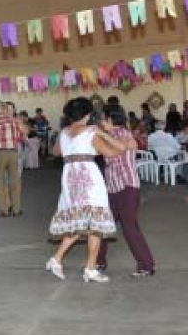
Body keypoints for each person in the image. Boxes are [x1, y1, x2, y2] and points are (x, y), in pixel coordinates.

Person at [45, 97, 126, 284]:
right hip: (89, 180)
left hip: (69, 179)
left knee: (79, 222)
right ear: (88, 114)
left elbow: (55, 152)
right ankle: (89, 269)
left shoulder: (64, 132)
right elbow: (115, 151)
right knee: (94, 226)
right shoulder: (91, 133)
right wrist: (104, 134)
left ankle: (56, 260)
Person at [96, 105, 156, 277]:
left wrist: (100, 134)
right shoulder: (111, 135)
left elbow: (125, 146)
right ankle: (99, 262)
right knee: (104, 226)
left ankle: (146, 265)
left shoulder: (121, 133)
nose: (101, 122)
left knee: (129, 227)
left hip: (126, 186)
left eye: (103, 118)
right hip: (114, 187)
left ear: (110, 120)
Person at [0, 101, 29, 217]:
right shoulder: (15, 122)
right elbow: (22, 136)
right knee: (15, 182)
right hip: (14, 153)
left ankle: (4, 210)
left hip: (0, 153)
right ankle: (17, 210)